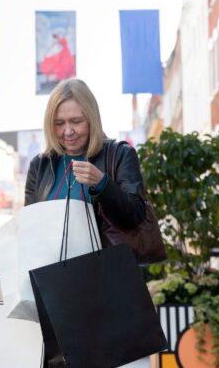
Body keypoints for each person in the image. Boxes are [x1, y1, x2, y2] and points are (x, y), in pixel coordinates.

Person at [24, 78, 149, 367]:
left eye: (76, 121)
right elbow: (30, 230)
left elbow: (135, 216)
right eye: (59, 123)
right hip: (53, 291)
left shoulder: (118, 155)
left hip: (101, 289)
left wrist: (102, 184)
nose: (67, 131)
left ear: (91, 118)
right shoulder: (40, 166)